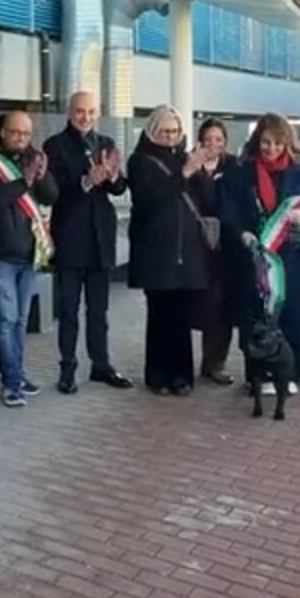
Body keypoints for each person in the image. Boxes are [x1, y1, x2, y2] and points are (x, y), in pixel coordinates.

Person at [42, 91, 132, 391]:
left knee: (99, 310)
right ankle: (67, 369)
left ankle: (101, 365)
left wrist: (114, 175)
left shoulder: (105, 143)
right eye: (80, 111)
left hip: (100, 239)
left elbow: (118, 189)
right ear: (70, 112)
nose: (86, 117)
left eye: (91, 112)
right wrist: (86, 181)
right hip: (70, 239)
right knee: (68, 311)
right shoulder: (54, 146)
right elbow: (54, 191)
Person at [223, 114, 300, 391]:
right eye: (266, 142)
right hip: (255, 256)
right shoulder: (242, 171)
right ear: (257, 141)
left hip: (292, 256)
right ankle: (259, 375)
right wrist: (241, 232)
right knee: (257, 314)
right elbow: (229, 210)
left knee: (293, 312)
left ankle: (290, 373)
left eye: (278, 143)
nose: (272, 149)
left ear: (287, 143)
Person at [0, 108, 59, 406]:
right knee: (6, 319)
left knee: (20, 320)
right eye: (16, 133)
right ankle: (10, 383)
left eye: (26, 134)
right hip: (0, 254)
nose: (21, 139)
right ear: (2, 132)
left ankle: (18, 374)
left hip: (30, 252)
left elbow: (51, 196)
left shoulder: (33, 157)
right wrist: (23, 181)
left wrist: (42, 175)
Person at [125, 105, 211, 395]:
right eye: (164, 131)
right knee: (160, 315)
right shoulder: (140, 161)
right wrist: (184, 173)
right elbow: (151, 199)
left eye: (174, 131)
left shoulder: (186, 158)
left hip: (187, 252)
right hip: (156, 254)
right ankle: (158, 376)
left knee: (181, 317)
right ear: (152, 131)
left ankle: (182, 376)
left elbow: (206, 201)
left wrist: (203, 172)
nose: (169, 137)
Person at [189, 118, 238, 384]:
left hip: (224, 245)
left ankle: (215, 362)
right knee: (196, 304)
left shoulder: (233, 166)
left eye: (218, 140)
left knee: (222, 306)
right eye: (208, 140)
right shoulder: (191, 165)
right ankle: (185, 361)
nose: (213, 146)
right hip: (196, 244)